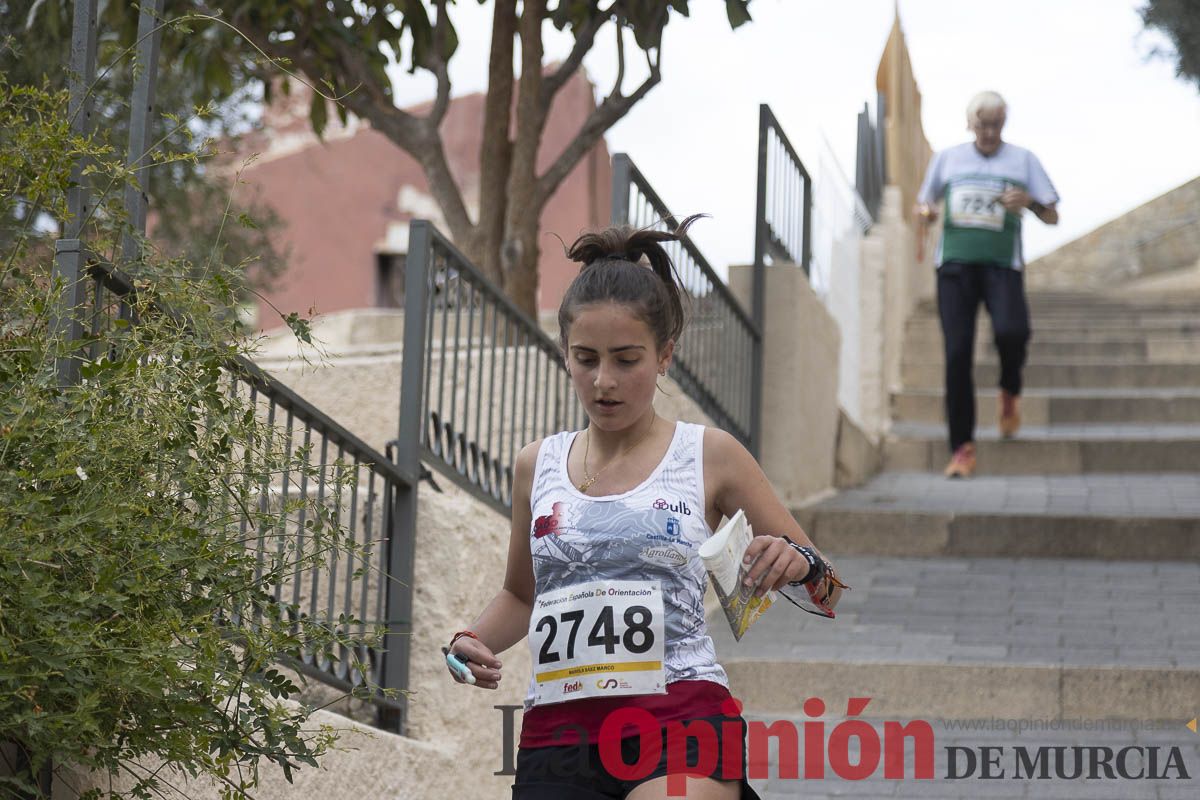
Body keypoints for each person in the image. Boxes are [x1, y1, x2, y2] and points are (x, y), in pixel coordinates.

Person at [444, 217, 845, 799]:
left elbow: (828, 587)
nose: (604, 381)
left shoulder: (711, 455)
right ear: (565, 354)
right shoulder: (537, 464)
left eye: (627, 359)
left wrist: (800, 563)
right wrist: (468, 639)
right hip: (558, 734)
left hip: (680, 718)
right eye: (586, 358)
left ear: (665, 356)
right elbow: (522, 596)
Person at [916, 90, 1060, 478]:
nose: (990, 132)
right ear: (970, 124)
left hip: (1003, 267)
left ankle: (1009, 390)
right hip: (955, 268)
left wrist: (1028, 202)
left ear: (1004, 124)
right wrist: (927, 212)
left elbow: (1053, 216)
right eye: (983, 125)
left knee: (1013, 333)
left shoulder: (1023, 160)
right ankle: (962, 449)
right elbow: (923, 206)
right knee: (957, 353)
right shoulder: (947, 159)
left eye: (997, 124)